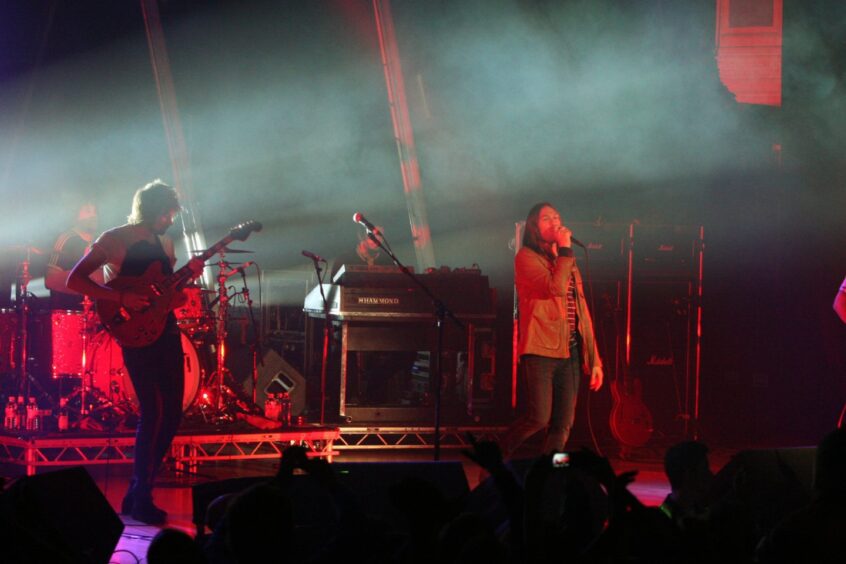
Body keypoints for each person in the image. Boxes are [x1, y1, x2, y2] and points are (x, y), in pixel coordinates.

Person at [67, 179, 203, 524]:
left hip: (167, 330)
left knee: (172, 413)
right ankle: (141, 495)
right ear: (153, 210)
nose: (171, 219)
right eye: (168, 212)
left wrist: (187, 281)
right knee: (152, 413)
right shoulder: (115, 239)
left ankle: (138, 491)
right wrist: (120, 298)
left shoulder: (165, 242)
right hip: (136, 333)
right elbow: (74, 279)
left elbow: (166, 292)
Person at [501, 202, 603, 458]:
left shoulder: (566, 261)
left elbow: (582, 312)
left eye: (557, 217)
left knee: (563, 424)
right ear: (534, 227)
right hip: (541, 350)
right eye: (547, 218)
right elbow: (554, 288)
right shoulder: (526, 257)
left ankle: (552, 475)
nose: (555, 222)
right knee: (539, 418)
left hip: (571, 352)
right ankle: (495, 455)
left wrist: (595, 359)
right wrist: (565, 251)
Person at [44, 202, 101, 310]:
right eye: (88, 211)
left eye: (95, 211)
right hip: (71, 309)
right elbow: (51, 278)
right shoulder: (66, 239)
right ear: (75, 215)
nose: (93, 215)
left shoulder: (102, 240)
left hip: (98, 310)